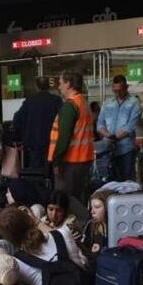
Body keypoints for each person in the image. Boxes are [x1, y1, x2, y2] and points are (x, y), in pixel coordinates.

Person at [0, 206, 87, 285]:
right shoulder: (63, 233)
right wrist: (35, 220)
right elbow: (54, 234)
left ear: (9, 239)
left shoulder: (17, 263)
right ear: (29, 220)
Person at [48, 72, 96, 204]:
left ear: (68, 83)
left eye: (61, 82)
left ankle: (74, 224)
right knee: (80, 198)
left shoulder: (70, 106)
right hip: (84, 159)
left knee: (67, 202)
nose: (59, 86)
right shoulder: (83, 103)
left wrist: (56, 162)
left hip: (70, 162)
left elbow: (63, 139)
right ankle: (83, 223)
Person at [13, 76, 63, 171]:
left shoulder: (29, 102)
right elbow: (63, 120)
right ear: (49, 86)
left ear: (36, 87)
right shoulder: (56, 101)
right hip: (52, 144)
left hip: (34, 145)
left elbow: (17, 119)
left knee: (36, 175)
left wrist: (23, 137)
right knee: (52, 173)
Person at [96, 75, 141, 183]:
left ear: (126, 87)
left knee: (126, 182)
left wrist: (115, 137)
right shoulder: (107, 103)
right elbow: (100, 124)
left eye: (120, 90)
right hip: (107, 149)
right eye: (115, 90)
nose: (117, 93)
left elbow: (130, 126)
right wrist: (107, 135)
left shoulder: (134, 103)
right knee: (109, 182)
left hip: (126, 149)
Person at [84, 190, 116, 256]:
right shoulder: (91, 226)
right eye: (91, 208)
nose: (92, 211)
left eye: (97, 207)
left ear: (109, 207)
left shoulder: (118, 228)